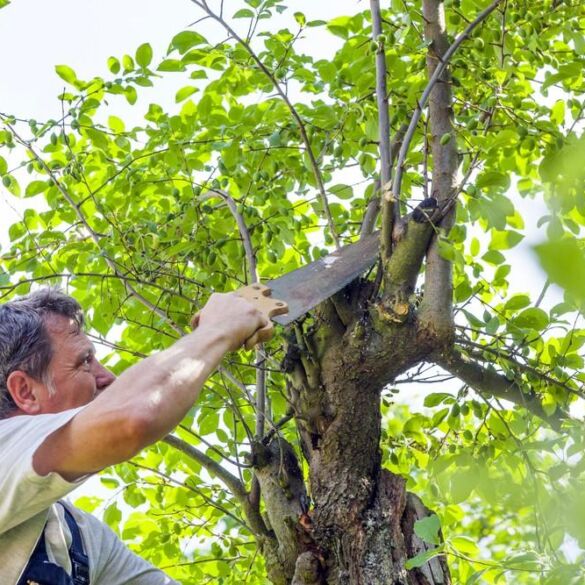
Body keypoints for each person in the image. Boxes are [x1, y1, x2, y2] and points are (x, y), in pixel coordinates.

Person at [0, 287, 271, 584]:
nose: (108, 378)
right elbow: (133, 418)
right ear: (26, 391)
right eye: (85, 362)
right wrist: (220, 329)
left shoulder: (82, 539)